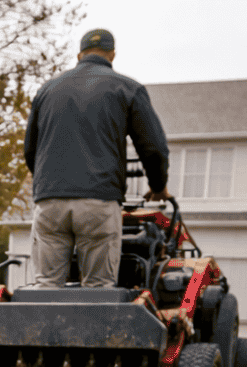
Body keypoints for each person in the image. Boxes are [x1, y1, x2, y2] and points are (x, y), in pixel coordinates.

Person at [22, 28, 169, 289]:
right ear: (112, 55)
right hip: (98, 201)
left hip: (50, 201)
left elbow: (30, 151)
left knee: (45, 287)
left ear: (79, 54)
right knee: (99, 289)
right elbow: (153, 148)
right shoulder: (127, 88)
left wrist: (51, 185)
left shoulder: (47, 90)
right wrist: (158, 187)